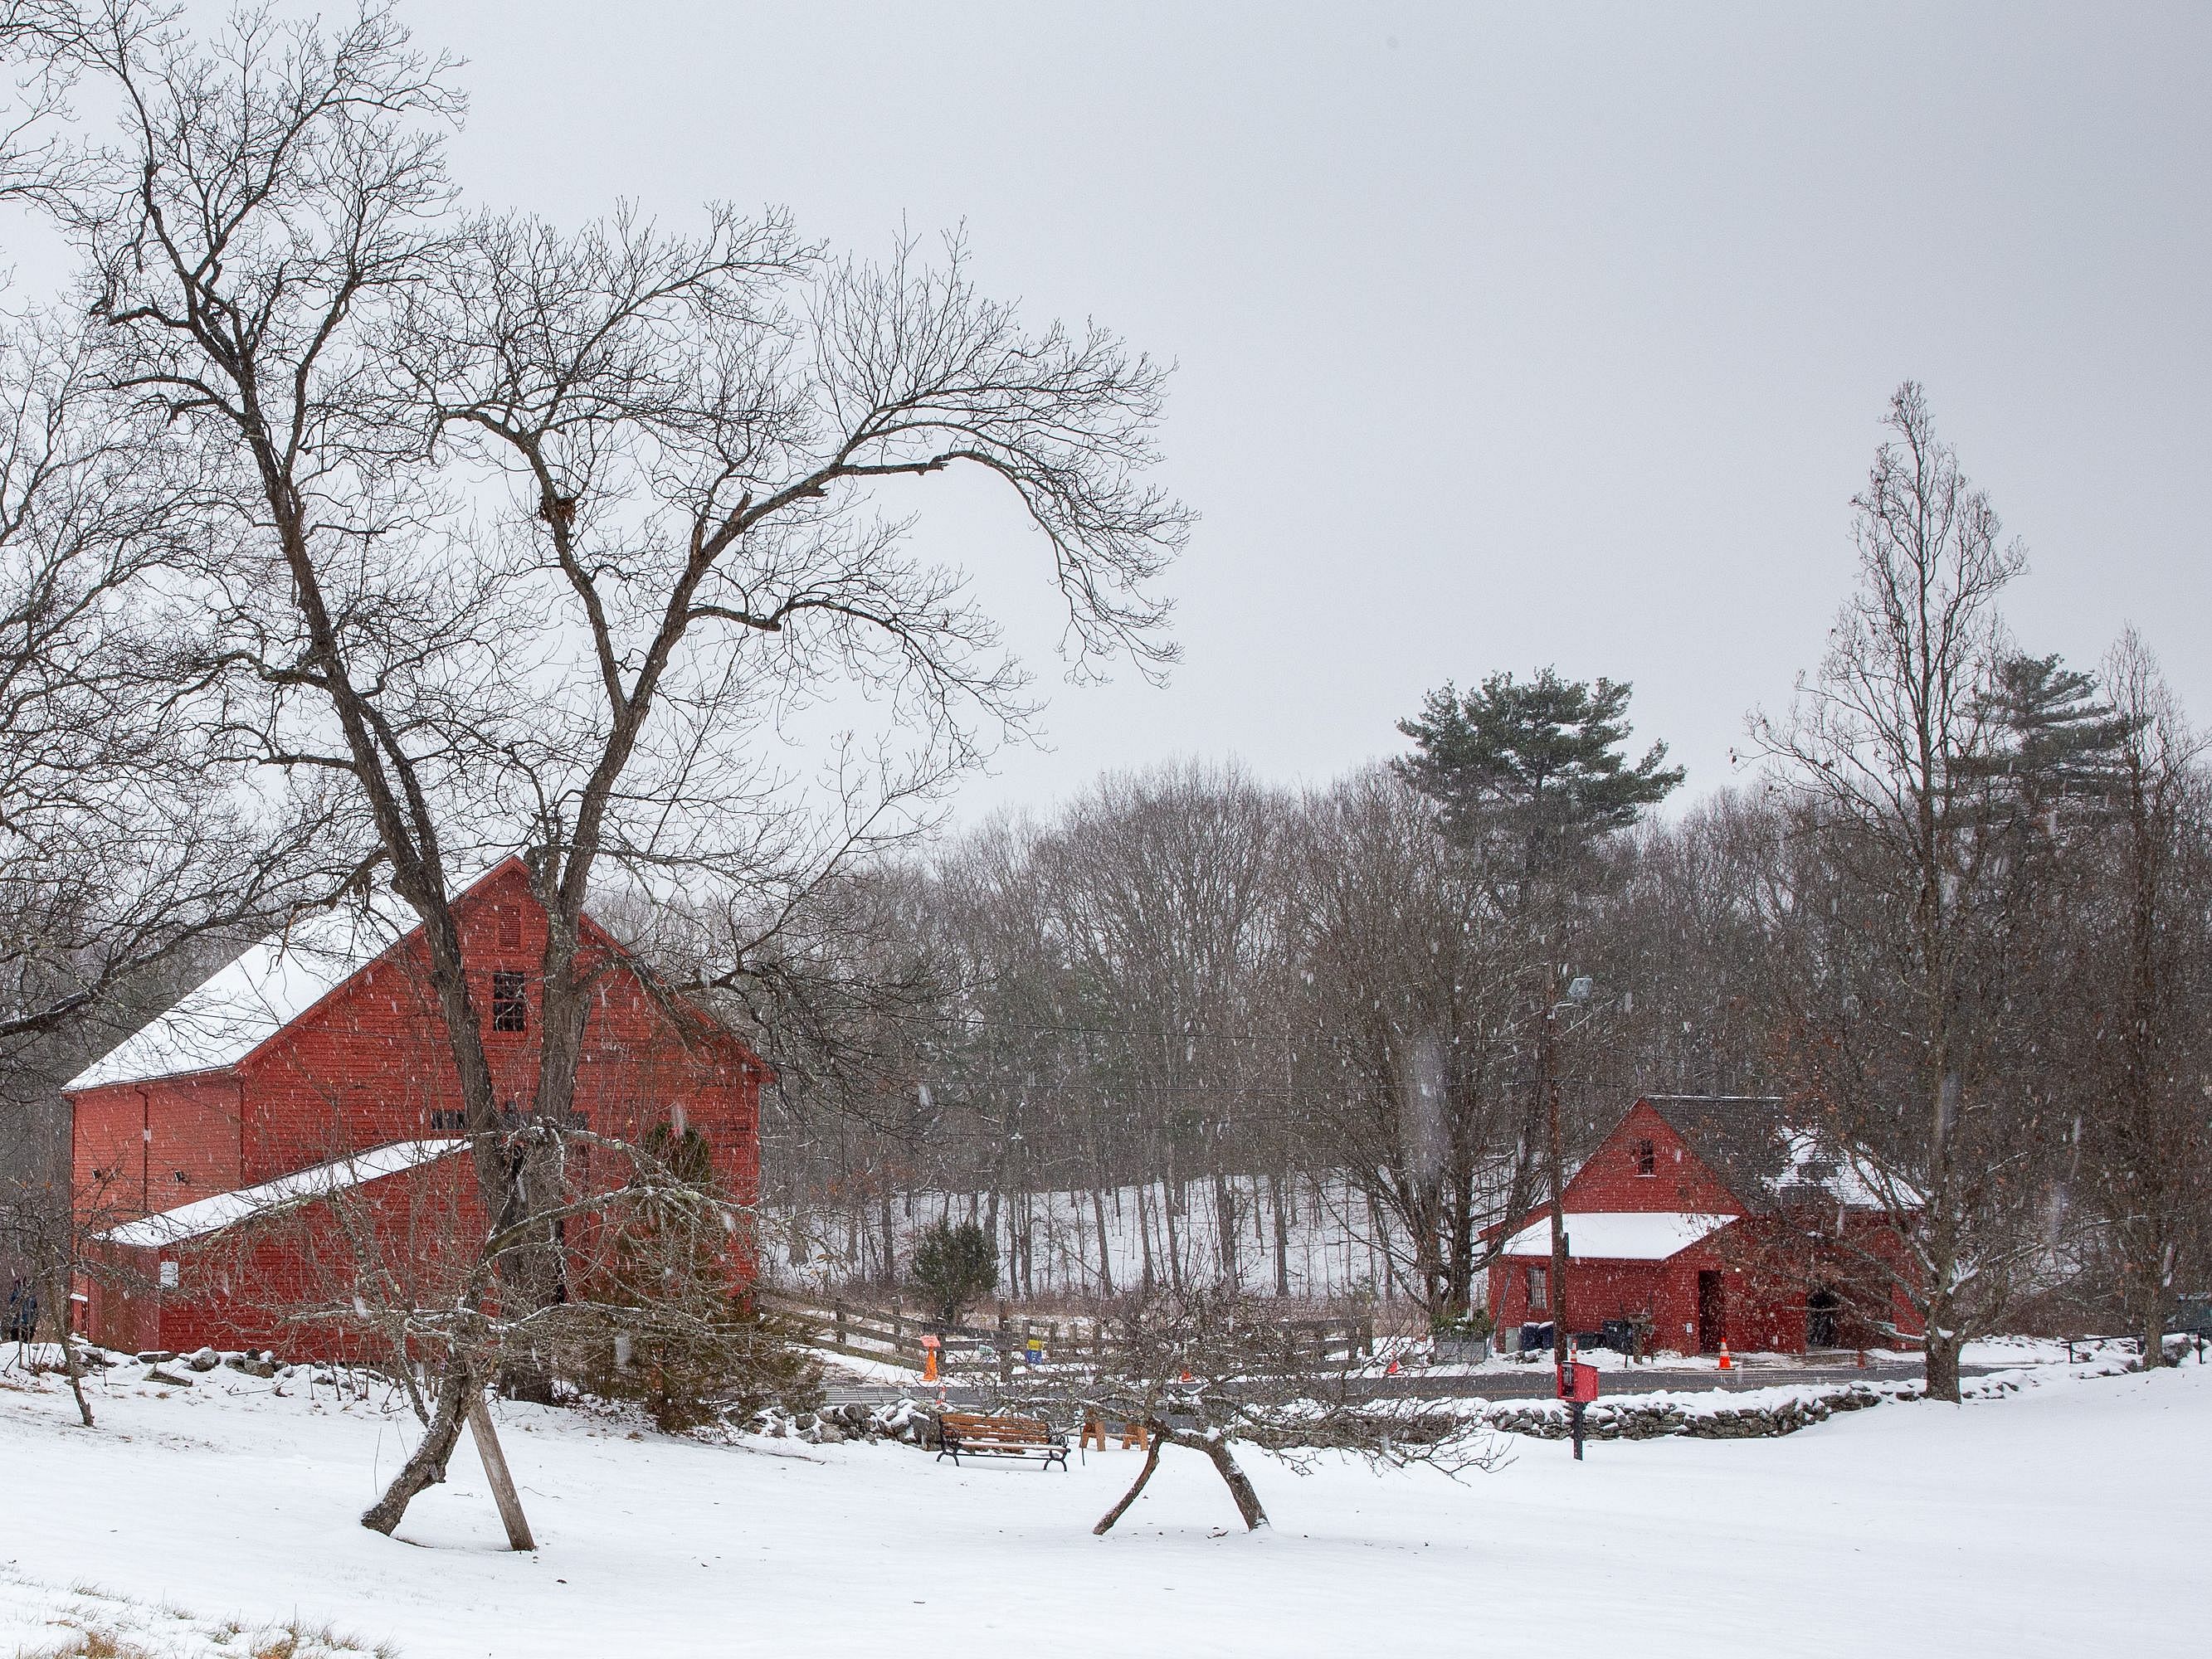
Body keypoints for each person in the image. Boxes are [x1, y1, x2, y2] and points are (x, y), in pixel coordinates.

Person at [6, 1277, 36, 1344]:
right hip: (28, 1326)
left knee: (15, 1345)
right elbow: (35, 1309)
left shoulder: (16, 1294)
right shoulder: (31, 1295)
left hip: (16, 1326)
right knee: (26, 1345)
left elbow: (12, 1307)